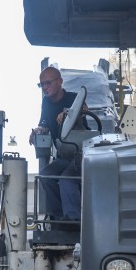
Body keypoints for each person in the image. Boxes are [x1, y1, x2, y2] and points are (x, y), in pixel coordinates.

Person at [30, 66, 86, 221]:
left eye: (48, 83)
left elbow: (83, 109)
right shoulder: (46, 103)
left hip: (81, 155)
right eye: (42, 84)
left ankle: (73, 220)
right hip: (63, 155)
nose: (45, 87)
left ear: (60, 81)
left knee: (66, 179)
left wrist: (69, 113)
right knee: (46, 176)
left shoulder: (74, 98)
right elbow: (45, 124)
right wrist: (37, 130)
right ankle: (58, 218)